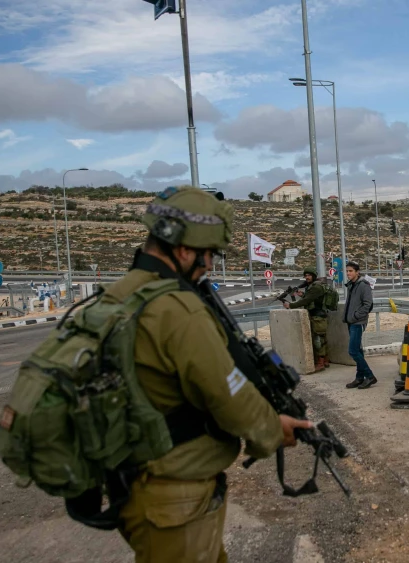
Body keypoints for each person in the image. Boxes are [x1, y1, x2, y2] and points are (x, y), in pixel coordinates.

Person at [108, 185, 312, 563]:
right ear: (186, 250)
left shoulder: (119, 295)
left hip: (134, 479)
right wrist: (272, 429)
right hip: (172, 492)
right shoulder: (176, 308)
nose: (211, 266)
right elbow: (228, 394)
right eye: (210, 255)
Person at [283, 266, 330, 372]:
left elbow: (307, 300)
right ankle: (325, 360)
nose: (307, 277)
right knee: (322, 339)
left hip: (318, 316)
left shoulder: (316, 287)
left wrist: (290, 305)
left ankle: (320, 363)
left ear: (313, 276)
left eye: (309, 275)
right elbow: (313, 298)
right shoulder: (314, 286)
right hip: (318, 315)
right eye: (306, 275)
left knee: (318, 340)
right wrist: (303, 294)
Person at [343, 262, 377, 389]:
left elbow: (368, 304)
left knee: (352, 351)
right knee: (358, 351)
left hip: (357, 322)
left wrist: (356, 316)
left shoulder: (363, 285)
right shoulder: (351, 285)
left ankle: (370, 376)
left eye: (351, 271)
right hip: (351, 321)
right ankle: (359, 377)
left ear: (357, 272)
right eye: (347, 271)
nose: (348, 273)